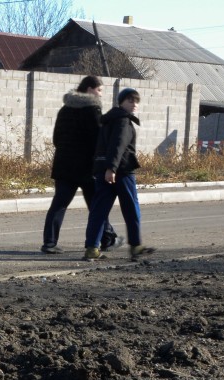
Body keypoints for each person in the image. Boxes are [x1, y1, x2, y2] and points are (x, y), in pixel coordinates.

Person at [40, 75, 122, 255]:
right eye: (99, 90)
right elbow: (98, 141)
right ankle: (107, 238)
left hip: (64, 165)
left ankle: (49, 243)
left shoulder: (64, 109)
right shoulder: (93, 110)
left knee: (59, 204)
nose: (100, 94)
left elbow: (56, 139)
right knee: (96, 205)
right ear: (89, 89)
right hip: (87, 167)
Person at [83, 87, 156, 262]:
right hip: (121, 172)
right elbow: (119, 145)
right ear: (121, 102)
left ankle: (92, 248)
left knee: (98, 211)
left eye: (136, 101)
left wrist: (103, 168)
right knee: (131, 209)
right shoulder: (123, 121)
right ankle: (136, 246)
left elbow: (101, 146)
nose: (134, 104)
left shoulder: (108, 120)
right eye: (130, 100)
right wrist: (112, 168)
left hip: (103, 171)